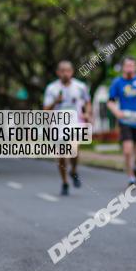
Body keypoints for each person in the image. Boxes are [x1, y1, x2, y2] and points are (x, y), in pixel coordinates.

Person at [43, 60, 92, 196]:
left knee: (74, 149)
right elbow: (46, 110)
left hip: (75, 123)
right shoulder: (52, 88)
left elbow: (88, 102)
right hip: (58, 126)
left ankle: (74, 170)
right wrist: (56, 102)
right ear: (58, 72)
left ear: (72, 71)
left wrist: (87, 113)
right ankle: (65, 182)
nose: (65, 73)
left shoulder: (80, 86)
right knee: (61, 157)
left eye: (68, 71)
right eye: (62, 71)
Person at [106, 57, 136, 187]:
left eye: (132, 65)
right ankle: (131, 176)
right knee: (127, 151)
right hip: (125, 121)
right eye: (128, 66)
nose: (130, 68)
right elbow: (110, 101)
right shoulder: (117, 82)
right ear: (123, 67)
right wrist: (116, 111)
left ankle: (135, 166)